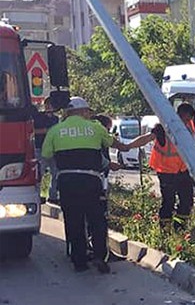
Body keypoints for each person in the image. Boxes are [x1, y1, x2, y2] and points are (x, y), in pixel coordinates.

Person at [41, 97, 129, 273]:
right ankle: (99, 256)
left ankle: (79, 261)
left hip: (66, 182)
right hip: (91, 181)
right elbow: (117, 145)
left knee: (74, 221)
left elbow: (46, 154)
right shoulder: (95, 127)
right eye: (88, 112)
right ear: (82, 111)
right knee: (97, 220)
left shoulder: (55, 130)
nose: (89, 114)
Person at [34, 98, 60, 204]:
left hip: (53, 149)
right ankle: (39, 195)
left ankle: (53, 196)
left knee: (55, 173)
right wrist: (46, 131)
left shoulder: (56, 119)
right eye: (47, 105)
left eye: (51, 105)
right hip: (40, 148)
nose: (49, 107)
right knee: (40, 174)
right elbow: (32, 130)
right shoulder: (38, 117)